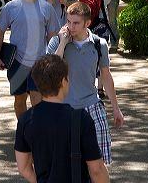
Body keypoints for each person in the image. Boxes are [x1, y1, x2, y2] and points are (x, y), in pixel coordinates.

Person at [47, 2, 125, 165]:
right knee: (66, 163)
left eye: (76, 23)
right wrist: (62, 43)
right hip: (64, 108)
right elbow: (50, 71)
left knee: (99, 163)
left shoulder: (99, 44)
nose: (70, 27)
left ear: (87, 23)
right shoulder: (57, 42)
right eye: (68, 21)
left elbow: (106, 76)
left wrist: (116, 108)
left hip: (92, 106)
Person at [14, 54, 110, 183]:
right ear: (63, 81)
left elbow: (23, 167)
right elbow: (96, 169)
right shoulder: (81, 119)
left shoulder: (25, 120)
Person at [0, 0, 60, 118]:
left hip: (39, 62)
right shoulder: (10, 7)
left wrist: (55, 60)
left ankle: (36, 131)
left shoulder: (46, 8)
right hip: (17, 62)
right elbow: (0, 32)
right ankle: (23, 129)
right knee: (19, 100)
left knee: (37, 99)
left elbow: (52, 37)